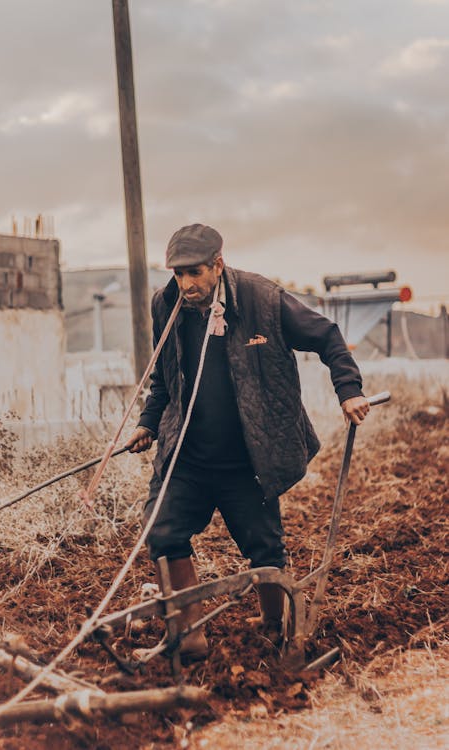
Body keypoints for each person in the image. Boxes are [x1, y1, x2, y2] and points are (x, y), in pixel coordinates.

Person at [126, 223, 369, 660]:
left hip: (248, 457)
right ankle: (190, 633)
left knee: (265, 547)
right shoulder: (167, 304)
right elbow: (164, 379)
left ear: (218, 264)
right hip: (188, 457)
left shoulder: (262, 299)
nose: (186, 284)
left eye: (194, 273)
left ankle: (274, 626)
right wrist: (148, 422)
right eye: (178, 274)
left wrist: (348, 389)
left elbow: (327, 337)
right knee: (162, 531)